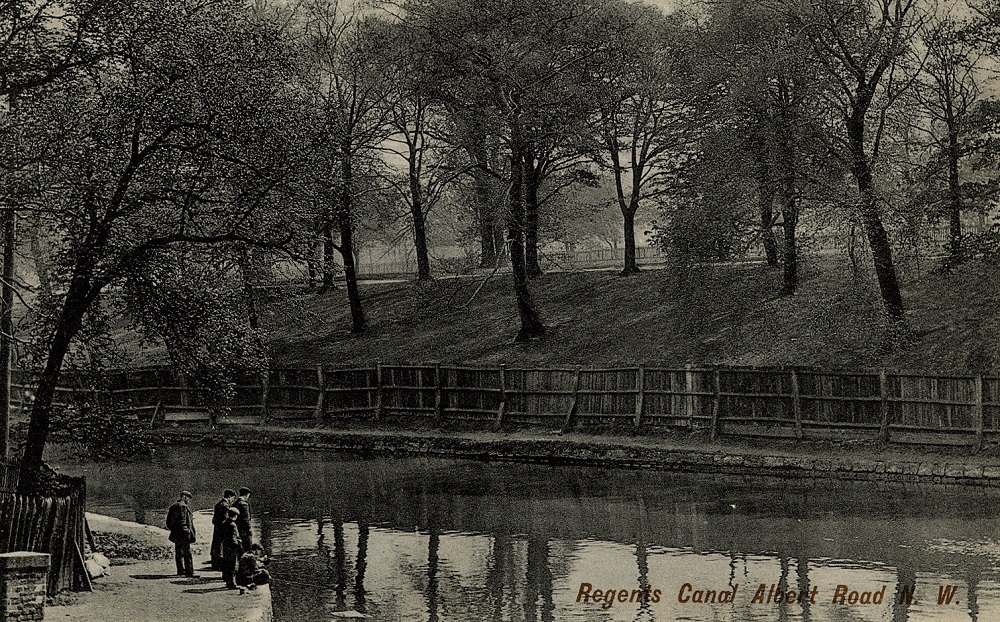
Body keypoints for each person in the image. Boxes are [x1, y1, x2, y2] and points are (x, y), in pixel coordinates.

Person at [165, 491, 196, 577]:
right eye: (188, 498)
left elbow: (169, 522)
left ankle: (180, 570)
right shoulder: (182, 506)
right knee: (187, 553)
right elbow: (182, 521)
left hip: (176, 533)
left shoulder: (175, 506)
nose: (189, 501)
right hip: (183, 534)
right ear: (185, 497)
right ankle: (189, 572)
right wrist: (187, 531)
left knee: (179, 552)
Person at [210, 489, 237, 569]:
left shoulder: (218, 504)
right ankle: (219, 565)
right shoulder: (225, 506)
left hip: (217, 528)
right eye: (233, 498)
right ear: (229, 496)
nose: (233, 500)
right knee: (221, 547)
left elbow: (214, 520)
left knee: (216, 546)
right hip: (222, 530)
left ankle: (215, 563)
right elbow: (226, 519)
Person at [220, 506, 243, 589]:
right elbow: (234, 537)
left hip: (225, 546)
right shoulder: (233, 525)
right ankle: (232, 583)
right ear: (235, 516)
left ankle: (227, 581)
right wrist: (238, 545)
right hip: (232, 547)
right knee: (233, 565)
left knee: (227, 564)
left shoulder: (224, 523)